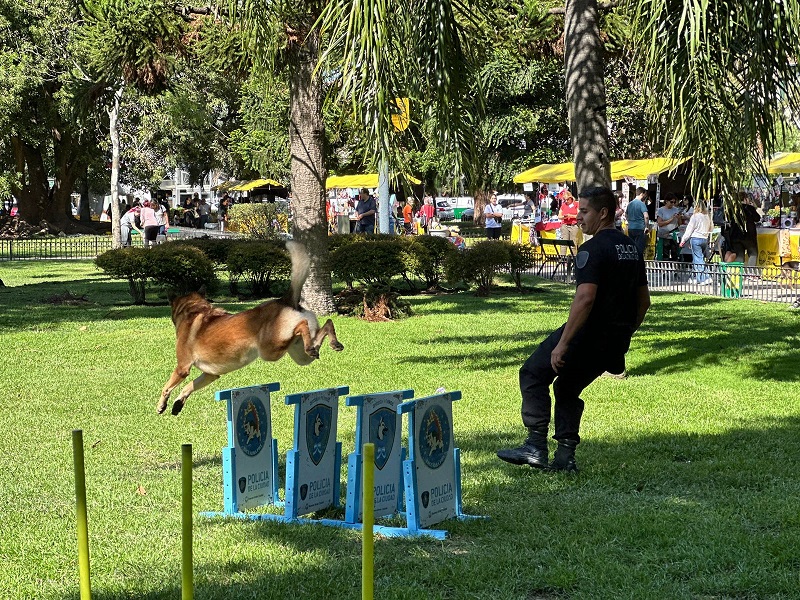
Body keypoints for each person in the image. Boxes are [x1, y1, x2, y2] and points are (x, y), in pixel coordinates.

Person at [497, 186, 650, 472]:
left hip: (586, 335)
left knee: (532, 373)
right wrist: (624, 333)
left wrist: (563, 343)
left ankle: (535, 445)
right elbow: (644, 303)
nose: (578, 217)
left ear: (603, 213)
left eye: (584, 211)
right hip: (614, 342)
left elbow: (585, 298)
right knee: (567, 387)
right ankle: (565, 458)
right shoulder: (632, 248)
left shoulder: (593, 248)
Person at [680, 200, 712, 284]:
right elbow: (711, 228)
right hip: (704, 238)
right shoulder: (707, 216)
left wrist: (683, 240)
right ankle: (695, 277)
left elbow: (689, 229)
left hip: (696, 238)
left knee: (698, 259)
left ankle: (705, 277)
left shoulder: (695, 216)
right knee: (698, 258)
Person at [725, 193, 760, 267]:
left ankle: (739, 275)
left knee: (739, 255)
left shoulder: (732, 209)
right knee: (753, 254)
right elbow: (757, 218)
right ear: (745, 199)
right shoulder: (749, 208)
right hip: (748, 236)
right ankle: (750, 274)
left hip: (735, 236)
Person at [655, 193, 682, 260]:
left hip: (674, 233)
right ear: (666, 201)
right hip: (665, 234)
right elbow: (660, 223)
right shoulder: (661, 210)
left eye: (674, 202)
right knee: (665, 252)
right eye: (671, 202)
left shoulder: (676, 209)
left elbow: (680, 224)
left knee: (674, 252)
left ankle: (675, 265)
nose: (673, 204)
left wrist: (678, 218)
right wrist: (671, 219)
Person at [626, 187, 650, 257]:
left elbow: (626, 214)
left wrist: (630, 221)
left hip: (630, 228)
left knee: (632, 248)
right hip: (640, 228)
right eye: (645, 194)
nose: (645, 196)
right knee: (639, 249)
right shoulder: (641, 204)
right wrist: (646, 226)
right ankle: (638, 264)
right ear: (642, 194)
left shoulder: (630, 204)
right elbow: (646, 216)